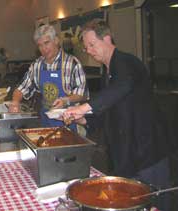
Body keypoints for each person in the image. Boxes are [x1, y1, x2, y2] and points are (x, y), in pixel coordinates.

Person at [63, 19, 170, 210]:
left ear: (107, 38)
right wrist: (85, 119)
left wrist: (83, 107)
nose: (88, 50)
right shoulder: (108, 72)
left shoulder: (128, 62)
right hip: (127, 156)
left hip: (148, 153)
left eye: (91, 44)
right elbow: (108, 109)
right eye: (86, 47)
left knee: (154, 204)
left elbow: (123, 86)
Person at [9, 24, 88, 131]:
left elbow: (80, 94)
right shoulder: (37, 65)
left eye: (47, 43)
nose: (43, 49)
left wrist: (65, 100)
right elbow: (22, 88)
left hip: (69, 120)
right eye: (40, 45)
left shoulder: (72, 63)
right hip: (46, 121)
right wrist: (15, 102)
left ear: (56, 40)